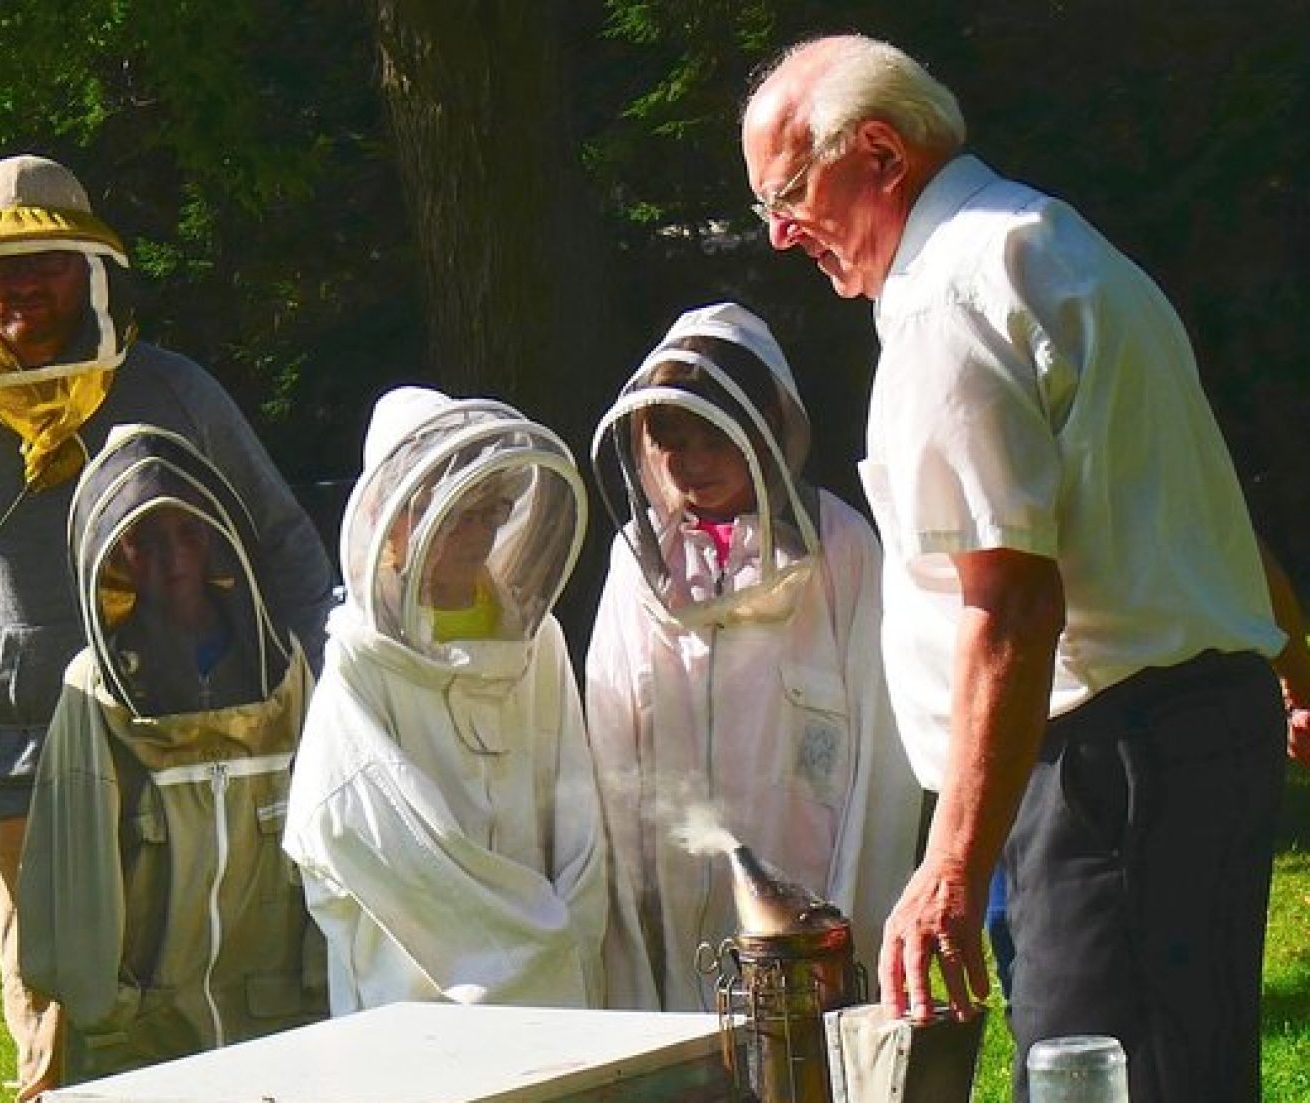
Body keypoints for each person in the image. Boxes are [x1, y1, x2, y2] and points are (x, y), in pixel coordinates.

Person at [742, 35, 1287, 1103]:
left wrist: (946, 870)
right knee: (1188, 1071)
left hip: (1105, 764)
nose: (776, 232)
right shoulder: (1056, 242)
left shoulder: (951, 299)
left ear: (882, 156)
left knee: (1100, 1078)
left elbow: (1009, 604)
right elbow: (1192, 490)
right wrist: (1292, 660)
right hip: (1177, 739)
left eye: (790, 191)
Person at [0, 154, 332, 1100]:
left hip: (199, 748)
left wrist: (325, 699)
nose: (18, 287)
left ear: (91, 267)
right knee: (61, 1023)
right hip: (23, 773)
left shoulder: (178, 394)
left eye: (44, 262)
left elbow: (287, 545)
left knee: (232, 998)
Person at [582, 302, 921, 1012]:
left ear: (765, 428)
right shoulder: (640, 563)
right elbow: (613, 740)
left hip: (813, 914)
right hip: (681, 919)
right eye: (669, 439)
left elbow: (882, 758)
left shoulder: (842, 546)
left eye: (711, 438)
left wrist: (858, 923)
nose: (690, 464)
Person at [282, 386, 608, 1013]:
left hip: (553, 988)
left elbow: (576, 809)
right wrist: (535, 942)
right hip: (417, 1000)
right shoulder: (361, 659)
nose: (480, 533)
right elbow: (371, 839)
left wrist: (573, 926)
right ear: (394, 517)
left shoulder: (534, 639)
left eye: (493, 510)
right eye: (459, 512)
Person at [17, 425, 324, 1083]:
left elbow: (327, 841)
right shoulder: (94, 690)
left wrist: (318, 972)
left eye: (186, 532)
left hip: (276, 1016)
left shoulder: (283, 667)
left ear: (216, 533)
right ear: (114, 554)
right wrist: (109, 1011)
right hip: (148, 1033)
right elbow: (72, 892)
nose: (172, 556)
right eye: (145, 540)